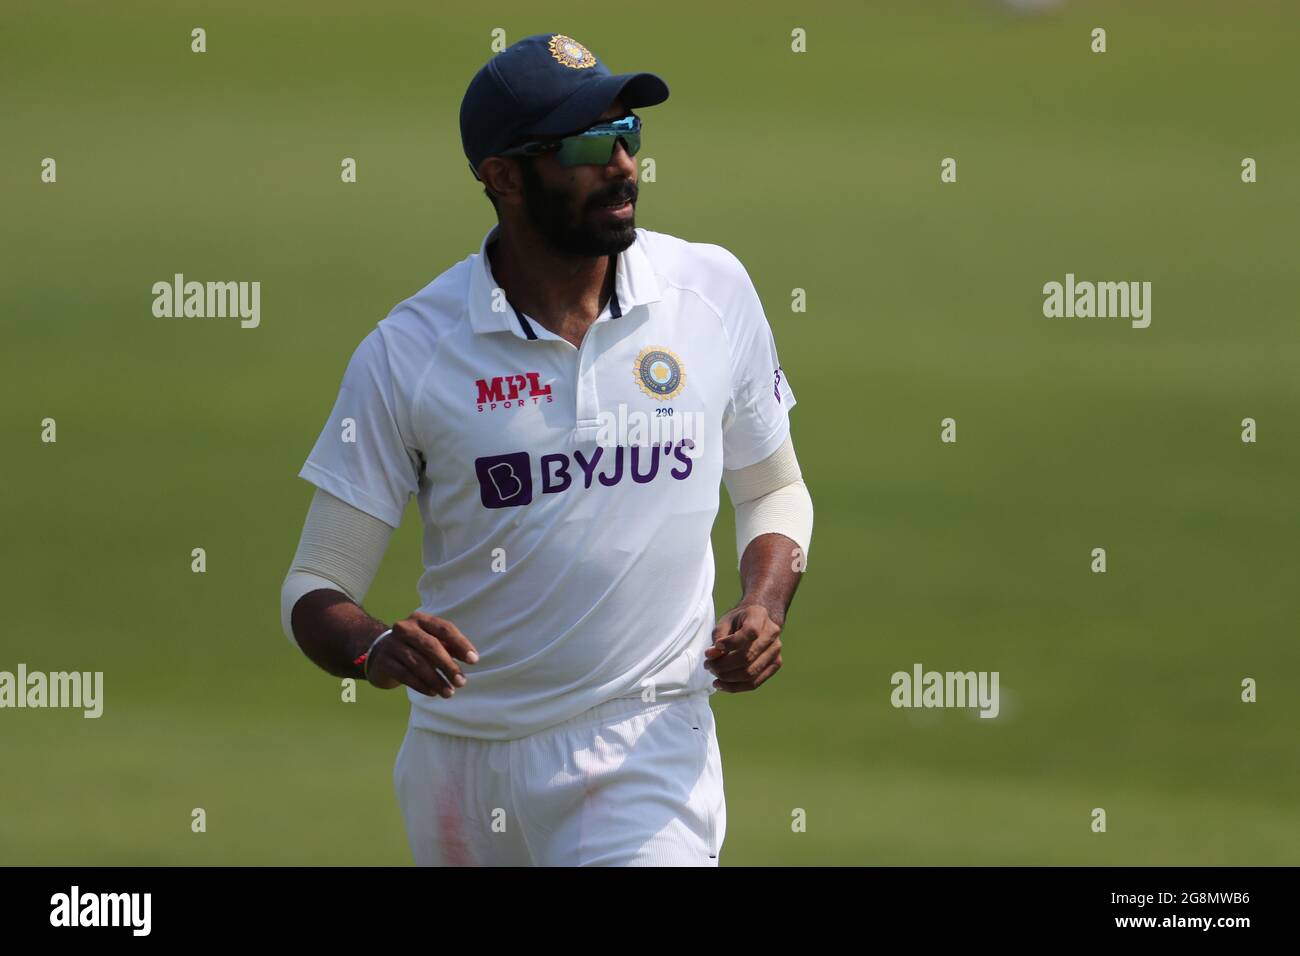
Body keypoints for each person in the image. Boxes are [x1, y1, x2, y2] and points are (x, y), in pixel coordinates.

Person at [280, 32, 813, 866]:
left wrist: (765, 603)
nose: (623, 165)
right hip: (461, 768)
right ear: (502, 176)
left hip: (647, 744)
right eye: (587, 147)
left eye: (628, 133)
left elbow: (774, 489)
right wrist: (377, 648)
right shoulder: (410, 352)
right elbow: (314, 586)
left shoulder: (709, 295)